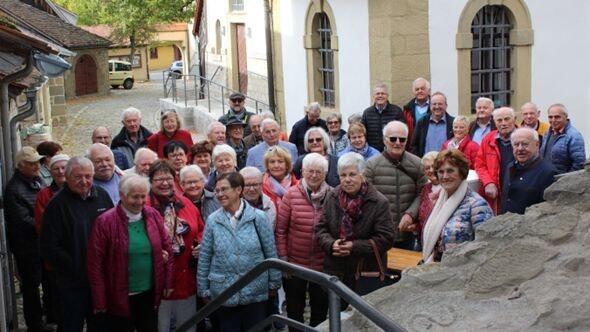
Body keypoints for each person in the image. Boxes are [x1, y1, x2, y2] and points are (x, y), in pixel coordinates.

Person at [87, 174, 173, 331]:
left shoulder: (152, 215)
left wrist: (167, 282)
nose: (140, 202)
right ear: (122, 195)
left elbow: (167, 247)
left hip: (149, 293)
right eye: (135, 197)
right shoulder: (105, 222)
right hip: (119, 296)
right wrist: (99, 300)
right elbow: (95, 264)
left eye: (143, 196)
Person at [197, 172, 282, 331]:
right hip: (224, 291)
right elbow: (205, 256)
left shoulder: (259, 218)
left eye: (224, 189)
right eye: (217, 190)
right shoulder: (213, 220)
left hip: (255, 290)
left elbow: (270, 253)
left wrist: (274, 283)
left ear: (238, 190)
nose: (220, 194)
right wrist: (203, 288)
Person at [41, 157, 114, 331]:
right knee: (70, 325)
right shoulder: (57, 205)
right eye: (78, 177)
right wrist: (75, 266)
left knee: (100, 325)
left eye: (88, 176)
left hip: (100, 280)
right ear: (67, 177)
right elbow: (49, 246)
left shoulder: (102, 196)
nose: (84, 181)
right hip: (72, 284)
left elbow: (113, 230)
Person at [315, 152, 395, 296]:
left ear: (362, 174)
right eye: (343, 175)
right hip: (336, 271)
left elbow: (386, 238)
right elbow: (321, 228)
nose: (347, 180)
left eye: (352, 174)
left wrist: (354, 246)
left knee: (363, 315)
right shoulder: (332, 196)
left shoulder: (378, 202)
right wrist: (332, 244)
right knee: (337, 314)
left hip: (365, 272)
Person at [145, 160, 204, 332]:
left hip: (186, 278)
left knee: (187, 326)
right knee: (161, 326)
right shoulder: (144, 206)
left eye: (168, 178)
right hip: (157, 281)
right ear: (150, 181)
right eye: (158, 179)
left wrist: (199, 244)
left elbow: (200, 229)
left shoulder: (185, 203)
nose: (164, 183)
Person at [276, 153, 330, 329]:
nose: (314, 175)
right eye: (310, 171)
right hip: (295, 264)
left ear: (325, 174)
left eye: (319, 172)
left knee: (320, 309)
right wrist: (284, 261)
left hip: (322, 265)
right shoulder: (291, 194)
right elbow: (281, 230)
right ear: (303, 171)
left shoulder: (333, 195)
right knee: (295, 309)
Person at [422, 149, 493, 263]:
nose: (445, 176)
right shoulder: (439, 202)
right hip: (437, 272)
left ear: (461, 172)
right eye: (440, 171)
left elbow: (487, 247)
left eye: (450, 171)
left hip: (462, 275)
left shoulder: (477, 205)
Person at [365, 121, 425, 250]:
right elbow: (365, 197)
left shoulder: (417, 163)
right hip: (380, 232)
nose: (397, 142)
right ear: (384, 140)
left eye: (402, 139)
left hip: (407, 232)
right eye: (393, 139)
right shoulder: (371, 165)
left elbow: (423, 193)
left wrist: (411, 214)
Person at [4, 147, 46, 332]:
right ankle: (35, 325)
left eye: (37, 161)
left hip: (40, 241)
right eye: (31, 163)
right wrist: (48, 225)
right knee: (30, 288)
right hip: (27, 247)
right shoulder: (15, 189)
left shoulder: (37, 180)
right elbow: (23, 221)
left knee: (46, 282)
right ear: (21, 166)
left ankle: (47, 315)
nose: (36, 165)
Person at [34, 154, 70, 328]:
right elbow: (43, 227)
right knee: (58, 300)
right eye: (56, 168)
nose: (61, 171)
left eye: (64, 167)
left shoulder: (81, 189)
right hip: (56, 259)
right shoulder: (44, 194)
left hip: (80, 257)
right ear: (51, 171)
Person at [501, 128, 557, 214]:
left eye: (525, 144)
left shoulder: (548, 172)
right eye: (516, 144)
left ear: (537, 144)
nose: (520, 148)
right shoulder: (510, 167)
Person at [475, 107, 517, 214]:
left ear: (514, 119)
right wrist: (488, 182)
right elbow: (480, 165)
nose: (503, 123)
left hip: (517, 191)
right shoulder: (488, 139)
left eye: (507, 119)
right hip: (495, 194)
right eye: (499, 120)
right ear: (494, 122)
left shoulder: (524, 137)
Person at [541, 103, 586, 174]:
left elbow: (579, 164)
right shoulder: (547, 133)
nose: (553, 120)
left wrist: (564, 180)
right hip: (547, 179)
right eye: (550, 117)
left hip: (562, 182)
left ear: (566, 117)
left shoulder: (574, 136)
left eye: (557, 117)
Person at [361, 84, 404, 152]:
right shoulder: (367, 113)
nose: (380, 96)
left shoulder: (397, 111)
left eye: (383, 93)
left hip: (391, 151)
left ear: (387, 96)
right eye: (377, 94)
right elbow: (362, 132)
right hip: (372, 153)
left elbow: (402, 132)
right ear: (373, 96)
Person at [411, 92, 454, 157]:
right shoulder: (422, 122)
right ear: (430, 106)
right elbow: (414, 145)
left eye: (440, 104)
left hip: (445, 165)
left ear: (446, 105)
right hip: (426, 165)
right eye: (434, 104)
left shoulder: (453, 123)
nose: (437, 107)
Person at [416, 152, 441, 250]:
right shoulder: (425, 189)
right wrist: (416, 227)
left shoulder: (448, 188)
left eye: (434, 166)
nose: (431, 170)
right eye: (427, 168)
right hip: (424, 242)